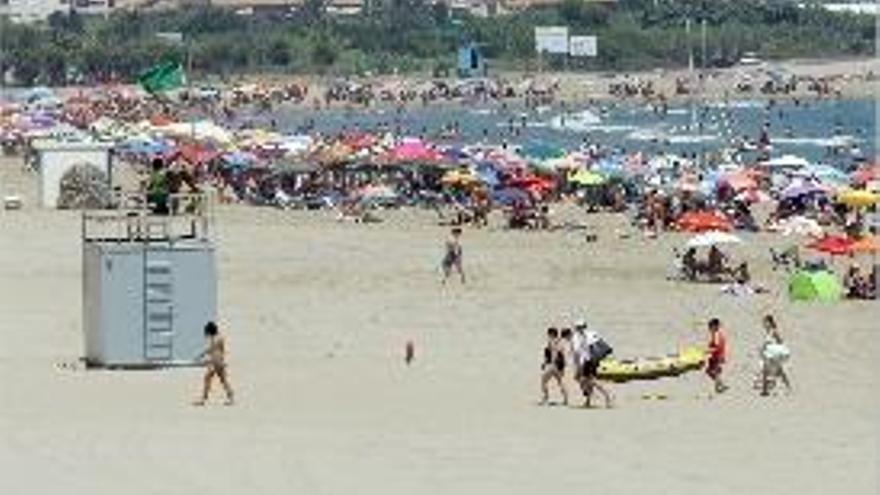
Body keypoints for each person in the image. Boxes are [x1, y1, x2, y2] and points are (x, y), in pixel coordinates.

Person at [571, 321, 613, 408]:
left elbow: (577, 354)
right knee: (589, 380)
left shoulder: (576, 337)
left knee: (588, 380)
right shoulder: (592, 333)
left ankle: (607, 395)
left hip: (587, 361)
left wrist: (578, 367)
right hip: (595, 360)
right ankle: (588, 400)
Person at [194, 321, 235, 406]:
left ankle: (203, 399)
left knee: (209, 379)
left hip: (216, 362)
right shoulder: (218, 337)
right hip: (218, 361)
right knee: (221, 380)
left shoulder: (216, 338)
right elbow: (221, 350)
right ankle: (230, 397)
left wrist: (201, 355)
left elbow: (211, 349)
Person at [759, 314, 791, 396]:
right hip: (769, 355)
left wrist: (775, 350)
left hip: (774, 355)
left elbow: (780, 342)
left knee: (779, 371)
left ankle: (787, 386)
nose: (764, 324)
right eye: (764, 322)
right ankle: (765, 390)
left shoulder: (774, 331)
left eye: (765, 322)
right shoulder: (768, 332)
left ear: (770, 322)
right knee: (766, 371)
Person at [540, 328, 568, 406]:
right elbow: (562, 355)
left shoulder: (552, 342)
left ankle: (546, 397)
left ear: (552, 334)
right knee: (560, 382)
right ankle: (566, 399)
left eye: (549, 333)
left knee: (543, 381)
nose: (548, 335)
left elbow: (554, 353)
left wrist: (549, 363)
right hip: (559, 366)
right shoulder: (559, 342)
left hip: (553, 365)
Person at [705, 318, 729, 394]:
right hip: (717, 355)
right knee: (714, 371)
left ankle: (719, 386)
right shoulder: (717, 334)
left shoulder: (717, 335)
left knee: (713, 371)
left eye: (710, 327)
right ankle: (720, 386)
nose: (709, 329)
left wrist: (708, 351)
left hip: (716, 356)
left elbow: (717, 347)